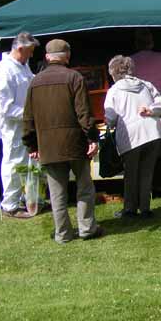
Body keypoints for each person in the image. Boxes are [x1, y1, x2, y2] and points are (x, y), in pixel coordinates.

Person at [22, 39, 102, 243]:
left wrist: (32, 144)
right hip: (75, 143)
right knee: (84, 187)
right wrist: (92, 137)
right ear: (67, 56)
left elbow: (28, 117)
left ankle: (63, 233)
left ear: (47, 57)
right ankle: (86, 228)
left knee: (57, 192)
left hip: (48, 146)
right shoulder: (74, 77)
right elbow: (84, 113)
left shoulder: (35, 81)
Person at [104, 55, 161, 219]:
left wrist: (109, 124)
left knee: (131, 174)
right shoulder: (146, 85)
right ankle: (145, 209)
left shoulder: (114, 90)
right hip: (152, 132)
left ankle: (130, 210)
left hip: (131, 136)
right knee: (146, 173)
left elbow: (110, 117)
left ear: (113, 72)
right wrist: (150, 110)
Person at [0, 32, 40, 218]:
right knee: (13, 163)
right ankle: (10, 204)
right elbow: (2, 106)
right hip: (13, 126)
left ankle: (31, 198)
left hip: (26, 124)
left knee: (30, 162)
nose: (32, 55)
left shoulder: (22, 66)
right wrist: (29, 115)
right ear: (20, 49)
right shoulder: (4, 71)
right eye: (30, 51)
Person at [130, 28, 161, 100]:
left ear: (136, 43)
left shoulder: (130, 59)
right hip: (159, 96)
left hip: (140, 96)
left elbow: (128, 80)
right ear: (151, 43)